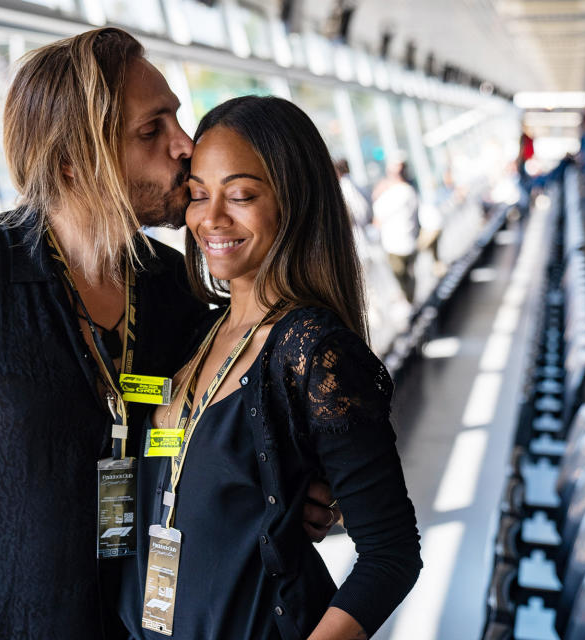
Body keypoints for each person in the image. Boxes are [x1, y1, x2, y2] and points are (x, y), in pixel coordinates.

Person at [0, 28, 337, 640]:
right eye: (152, 131)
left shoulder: (172, 286)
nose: (184, 145)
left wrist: (293, 487)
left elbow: (216, 425)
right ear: (74, 161)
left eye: (176, 118)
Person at [119, 96, 421, 639]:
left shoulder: (311, 350)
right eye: (198, 194)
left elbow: (391, 553)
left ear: (293, 202)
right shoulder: (195, 335)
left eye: (240, 195)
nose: (210, 218)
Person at [372, 154, 419, 304]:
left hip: (396, 245)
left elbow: (377, 217)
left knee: (402, 281)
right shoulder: (411, 191)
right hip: (409, 242)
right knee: (408, 279)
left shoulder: (396, 193)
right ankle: (411, 304)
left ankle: (410, 306)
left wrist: (380, 191)